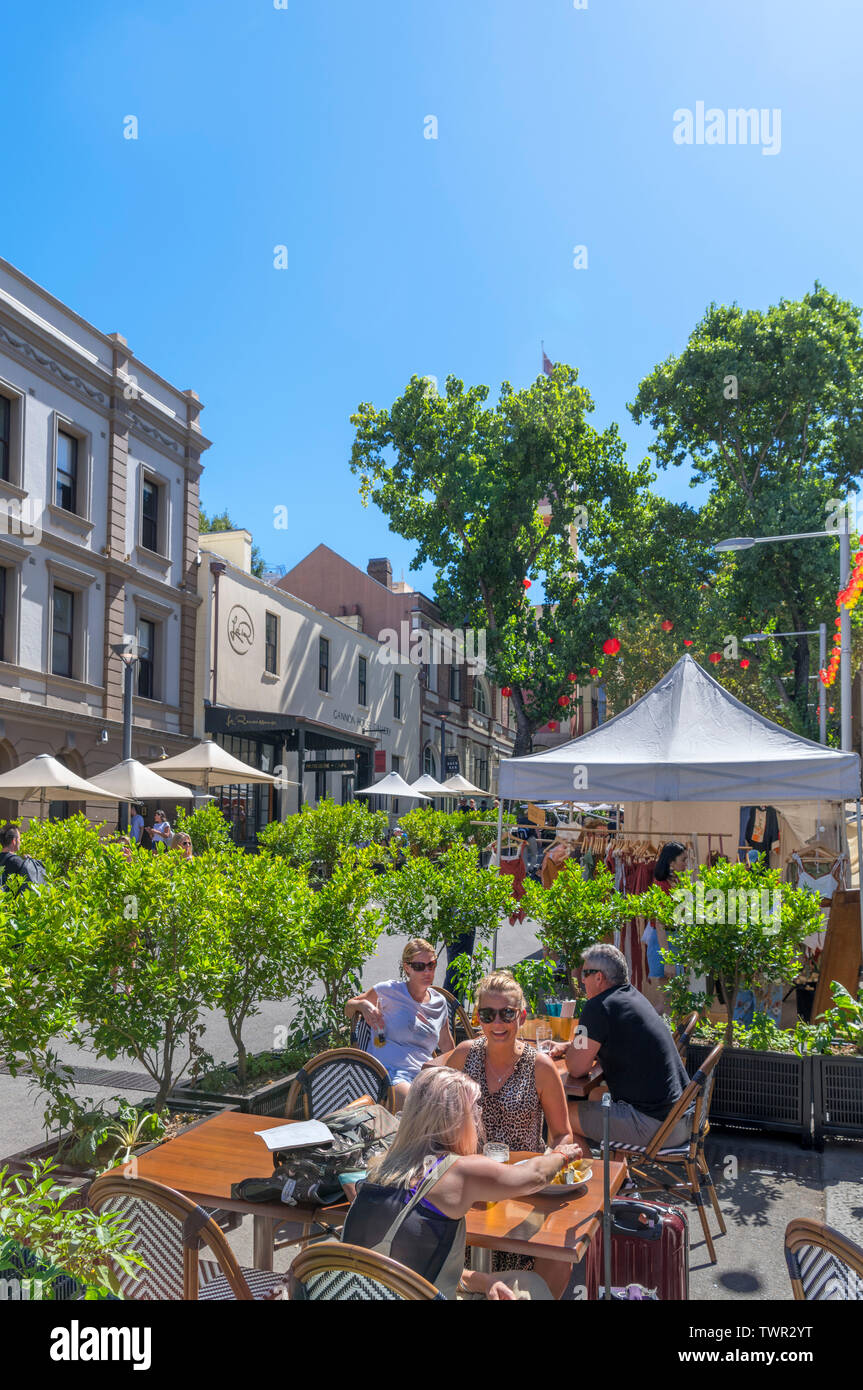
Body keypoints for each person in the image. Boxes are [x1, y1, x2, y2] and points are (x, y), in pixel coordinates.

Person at [342, 1068, 581, 1299]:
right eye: (474, 1107)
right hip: (409, 1292)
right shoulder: (457, 1171)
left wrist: (485, 1281)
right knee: (530, 1286)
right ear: (454, 1119)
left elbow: (410, 1269)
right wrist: (563, 1155)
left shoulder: (380, 1167)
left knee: (517, 1283)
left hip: (362, 1290)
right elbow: (535, 1176)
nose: (479, 1115)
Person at [429, 970, 576, 1297]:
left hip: (523, 1189)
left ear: (521, 1016)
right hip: (471, 1191)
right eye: (488, 1014)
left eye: (507, 1013)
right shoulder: (464, 1055)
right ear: (477, 1017)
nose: (498, 1022)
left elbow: (563, 1135)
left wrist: (554, 1160)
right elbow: (437, 1119)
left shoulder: (540, 1066)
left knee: (557, 1259)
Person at [553, 943, 692, 1152]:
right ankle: (622, 1179)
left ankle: (590, 1182)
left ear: (598, 977)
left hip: (657, 1126)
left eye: (585, 973)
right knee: (595, 1096)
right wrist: (571, 1046)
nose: (581, 979)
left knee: (559, 1115)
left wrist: (572, 1050)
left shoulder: (597, 1006)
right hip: (683, 1117)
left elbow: (576, 1068)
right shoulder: (633, 996)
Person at [345, 939, 455, 1109]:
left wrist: (457, 1075)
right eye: (419, 966)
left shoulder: (439, 1002)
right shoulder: (389, 991)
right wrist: (362, 1005)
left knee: (454, 1107)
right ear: (407, 967)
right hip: (388, 1073)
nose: (427, 971)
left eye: (431, 965)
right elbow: (348, 1008)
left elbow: (447, 1044)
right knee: (415, 1106)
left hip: (425, 1075)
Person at [643, 841, 687, 985]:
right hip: (664, 943)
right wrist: (668, 960)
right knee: (668, 1003)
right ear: (671, 862)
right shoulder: (661, 885)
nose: (686, 863)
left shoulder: (677, 881)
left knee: (675, 1001)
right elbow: (660, 924)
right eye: (683, 860)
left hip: (674, 940)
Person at [0, 825, 46, 894]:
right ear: (14, 841)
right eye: (19, 839)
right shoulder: (19, 862)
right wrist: (29, 862)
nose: (20, 842)